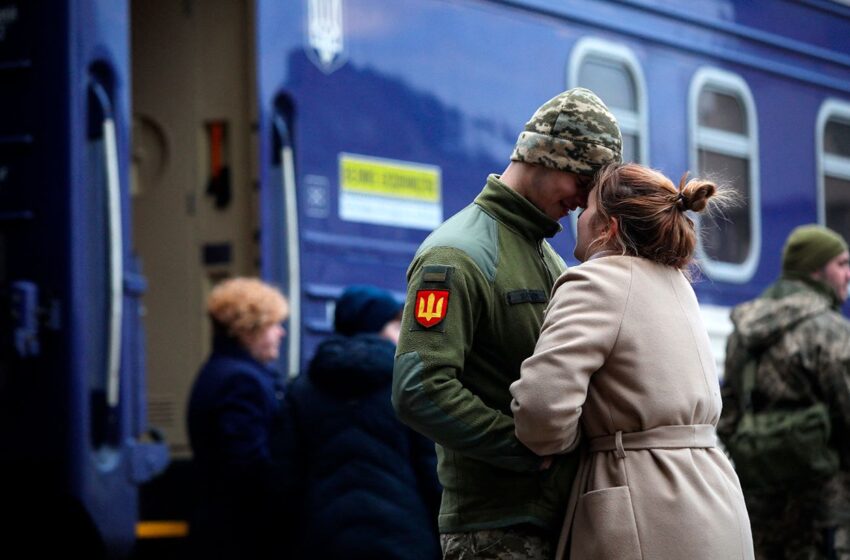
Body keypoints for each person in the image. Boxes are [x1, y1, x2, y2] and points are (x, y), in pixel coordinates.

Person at [392, 87, 622, 559]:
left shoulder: (547, 257)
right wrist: (526, 450)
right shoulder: (455, 255)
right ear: (545, 156)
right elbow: (419, 387)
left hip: (554, 519)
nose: (584, 202)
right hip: (494, 530)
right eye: (581, 180)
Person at [510, 163, 754, 559]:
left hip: (644, 503)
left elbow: (541, 413)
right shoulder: (678, 284)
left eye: (587, 208)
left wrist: (568, 441)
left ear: (608, 228)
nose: (578, 217)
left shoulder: (595, 281)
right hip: (716, 496)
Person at [718, 224, 850, 560]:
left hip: (757, 503)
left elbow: (728, 412)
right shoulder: (831, 331)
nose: (848, 275)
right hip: (820, 509)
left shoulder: (743, 330)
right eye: (841, 264)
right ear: (815, 269)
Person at [281, 285, 441, 560]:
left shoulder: (301, 390)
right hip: (403, 539)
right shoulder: (408, 386)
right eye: (395, 326)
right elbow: (432, 471)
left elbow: (285, 479)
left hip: (324, 541)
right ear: (375, 327)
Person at [186, 277, 289, 560]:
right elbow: (247, 465)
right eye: (273, 325)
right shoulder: (241, 381)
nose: (281, 333)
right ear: (247, 330)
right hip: (241, 532)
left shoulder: (218, 371)